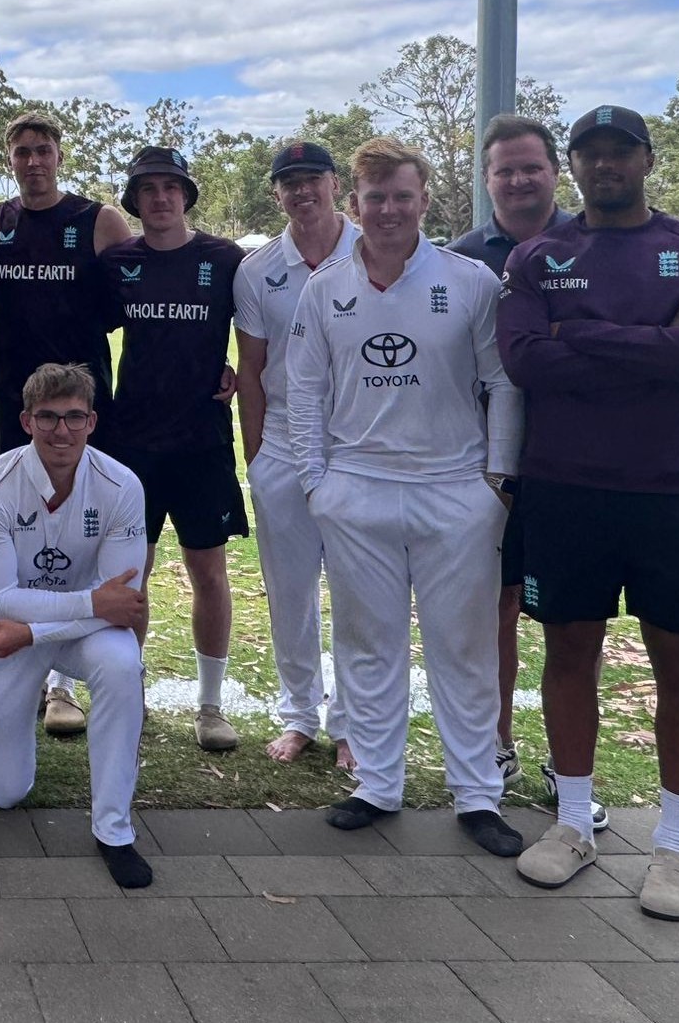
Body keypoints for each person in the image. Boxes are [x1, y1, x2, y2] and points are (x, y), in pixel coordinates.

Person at [501, 105, 679, 920]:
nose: (605, 165)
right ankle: (572, 823)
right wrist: (655, 339)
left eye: (620, 152)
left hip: (675, 490)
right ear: (574, 164)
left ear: (646, 159)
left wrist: (589, 334)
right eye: (591, 153)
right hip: (567, 487)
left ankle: (675, 848)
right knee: (570, 653)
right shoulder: (542, 255)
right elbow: (529, 362)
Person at [288, 136, 524, 856]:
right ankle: (377, 784)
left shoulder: (471, 281)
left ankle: (477, 794)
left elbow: (503, 384)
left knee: (464, 646)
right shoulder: (324, 288)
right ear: (353, 205)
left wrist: (497, 482)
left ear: (424, 199)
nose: (389, 210)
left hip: (456, 490)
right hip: (355, 490)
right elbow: (304, 389)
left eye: (402, 196)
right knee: (367, 643)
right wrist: (316, 484)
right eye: (375, 198)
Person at [446, 115, 597, 820]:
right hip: (491, 467)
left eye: (531, 167)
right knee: (497, 609)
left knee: (575, 623)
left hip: (581, 459)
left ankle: (572, 773)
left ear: (554, 171)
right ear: (486, 178)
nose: (518, 179)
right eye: (504, 169)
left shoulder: (593, 241)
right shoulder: (463, 257)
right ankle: (497, 745)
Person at [0, 364, 154, 887]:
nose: (61, 431)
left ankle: (114, 829)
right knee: (5, 793)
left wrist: (39, 630)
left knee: (120, 660)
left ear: (92, 421)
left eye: (73, 417)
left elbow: (124, 605)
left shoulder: (122, 485)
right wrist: (81, 607)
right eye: (48, 417)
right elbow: (1, 599)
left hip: (71, 631)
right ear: (25, 420)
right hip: (0, 635)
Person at [0, 112, 133, 738]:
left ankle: (65, 686)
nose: (33, 161)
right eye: (21, 153)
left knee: (80, 528)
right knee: (19, 526)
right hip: (16, 399)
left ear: (60, 156)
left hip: (81, 400)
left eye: (42, 150)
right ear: (9, 159)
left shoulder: (98, 220)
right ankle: (23, 655)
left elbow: (135, 297)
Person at [95, 146, 247, 751]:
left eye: (170, 187)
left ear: (186, 195)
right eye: (148, 188)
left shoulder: (224, 259)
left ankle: (210, 705)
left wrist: (239, 370)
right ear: (135, 200)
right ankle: (129, 690)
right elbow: (77, 328)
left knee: (207, 570)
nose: (160, 197)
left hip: (202, 441)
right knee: (134, 573)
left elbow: (260, 329)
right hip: (132, 442)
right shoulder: (119, 262)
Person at [233, 141, 359, 766]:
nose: (302, 191)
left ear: (335, 184)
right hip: (283, 441)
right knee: (290, 589)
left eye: (313, 179)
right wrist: (256, 456)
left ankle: (353, 725)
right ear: (277, 193)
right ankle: (299, 714)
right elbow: (250, 372)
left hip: (357, 444)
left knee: (359, 588)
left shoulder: (370, 252)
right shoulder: (258, 270)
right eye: (290, 183)